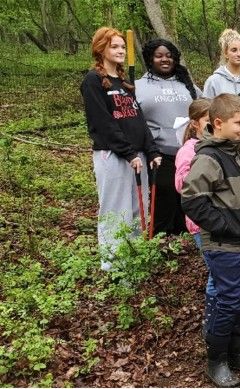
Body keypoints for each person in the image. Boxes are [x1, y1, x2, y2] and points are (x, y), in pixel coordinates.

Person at [180, 93, 240, 387]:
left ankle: (238, 353)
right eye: (239, 123)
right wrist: (225, 226)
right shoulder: (209, 157)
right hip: (226, 246)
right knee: (228, 300)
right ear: (218, 123)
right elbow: (192, 200)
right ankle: (215, 361)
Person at [81, 27, 161, 270]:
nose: (120, 51)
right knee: (116, 211)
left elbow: (138, 120)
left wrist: (152, 150)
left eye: (122, 47)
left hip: (138, 155)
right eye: (114, 46)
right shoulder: (93, 81)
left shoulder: (125, 82)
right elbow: (103, 122)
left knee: (139, 211)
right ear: (100, 49)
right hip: (113, 156)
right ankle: (115, 267)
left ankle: (135, 262)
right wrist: (127, 152)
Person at [136, 38, 201, 236]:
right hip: (158, 153)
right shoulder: (138, 85)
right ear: (150, 59)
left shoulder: (186, 85)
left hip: (188, 151)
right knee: (164, 197)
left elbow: (203, 108)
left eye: (169, 56)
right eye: (159, 56)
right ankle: (161, 239)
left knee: (186, 196)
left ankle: (184, 239)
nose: (165, 60)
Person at [173, 98, 214, 337]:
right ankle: (211, 321)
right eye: (208, 122)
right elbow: (182, 184)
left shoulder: (218, 145)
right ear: (196, 123)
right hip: (201, 223)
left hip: (220, 221)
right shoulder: (189, 150)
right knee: (217, 275)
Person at [203, 29, 240, 98]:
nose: (239, 54)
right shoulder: (213, 82)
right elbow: (206, 107)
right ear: (225, 53)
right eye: (234, 50)